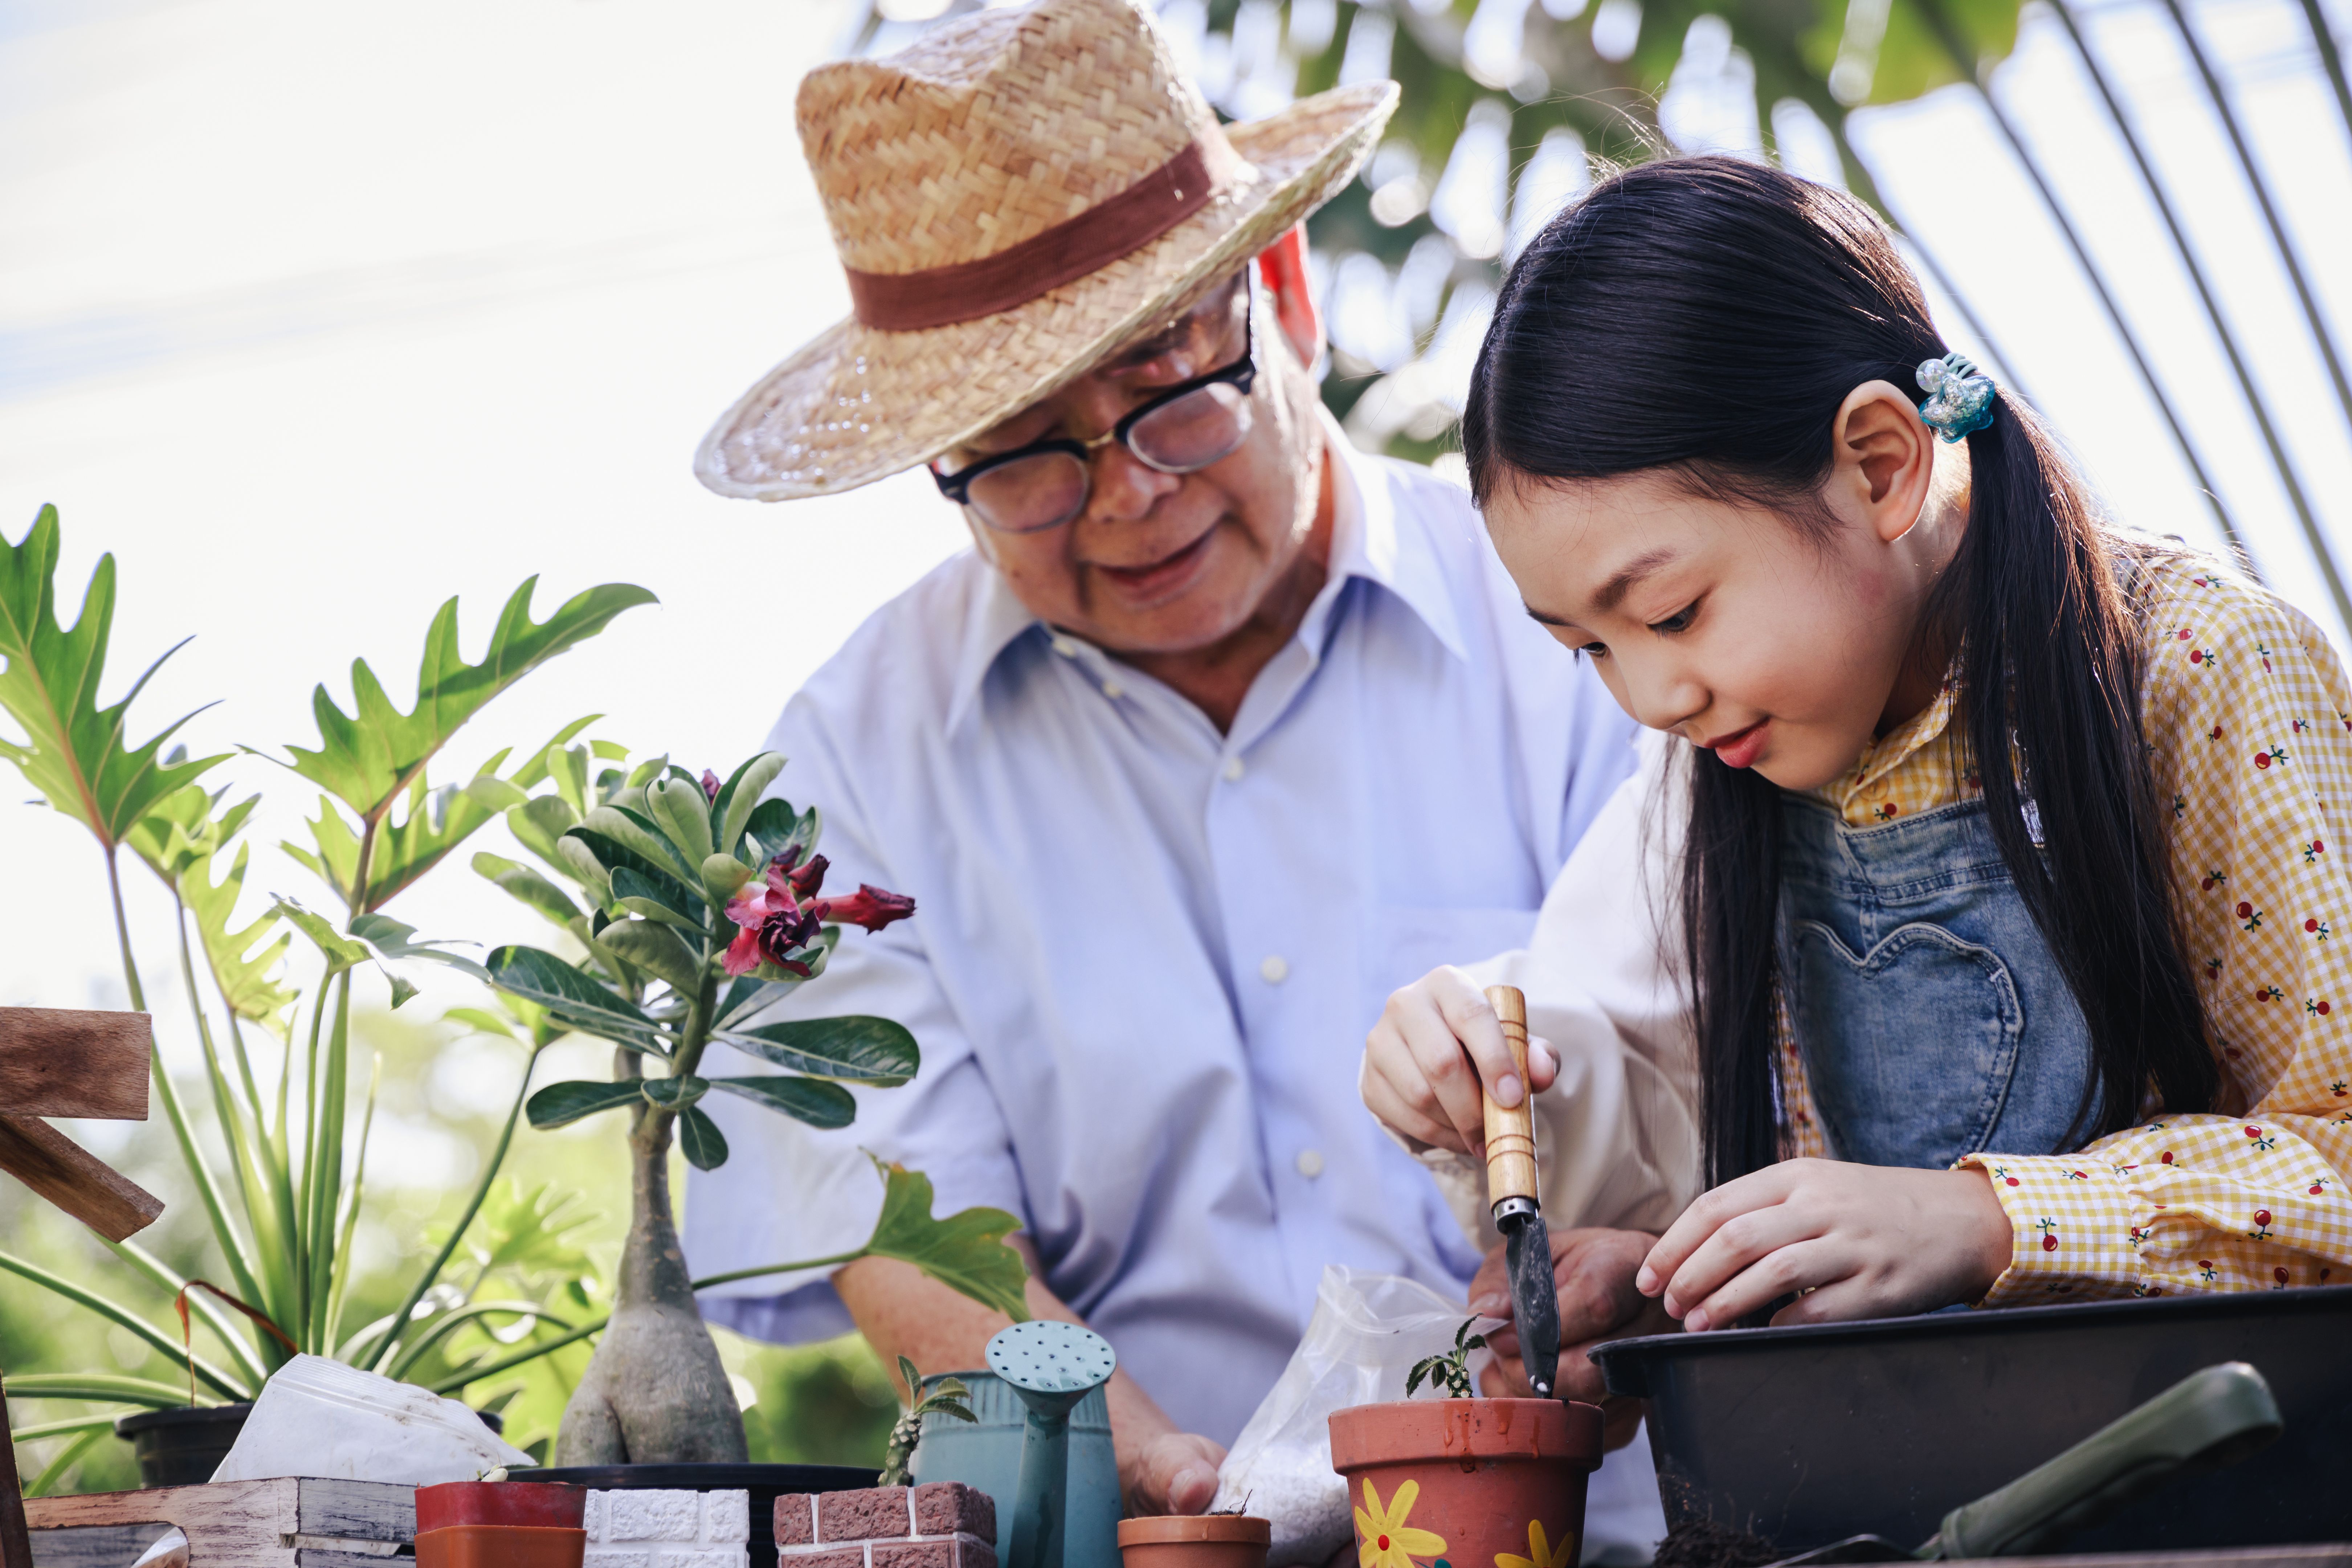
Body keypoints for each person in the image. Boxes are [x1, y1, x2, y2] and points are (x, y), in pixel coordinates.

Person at [679, 0, 1665, 1536]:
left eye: (1168, 387)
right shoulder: (854, 762)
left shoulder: (1578, 624)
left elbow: (1730, 1076)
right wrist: (1133, 1467)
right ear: (941, 463)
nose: (1127, 497)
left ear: (1285, 297)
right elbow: (896, 1216)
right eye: (1024, 449)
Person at [1363, 155, 2352, 1347]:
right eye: (1590, 650)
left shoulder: (2196, 669)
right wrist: (1659, 1270)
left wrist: (1989, 1222)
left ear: (1881, 463)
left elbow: (2339, 1150)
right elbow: (1659, 1121)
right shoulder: (1721, 757)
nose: (1654, 698)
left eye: (1673, 612)